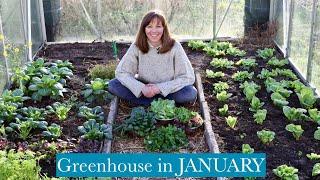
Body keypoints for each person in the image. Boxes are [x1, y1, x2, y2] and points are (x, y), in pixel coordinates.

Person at [108, 10, 197, 106]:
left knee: (189, 92)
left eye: (158, 26)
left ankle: (146, 103)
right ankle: (162, 104)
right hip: (144, 88)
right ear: (144, 29)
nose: (154, 31)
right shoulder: (137, 46)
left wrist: (158, 88)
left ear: (164, 28)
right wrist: (141, 88)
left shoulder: (174, 46)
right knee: (114, 84)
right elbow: (121, 72)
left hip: (168, 90)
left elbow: (188, 77)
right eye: (149, 26)